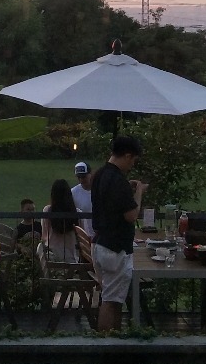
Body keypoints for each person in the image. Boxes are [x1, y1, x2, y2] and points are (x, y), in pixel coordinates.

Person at [91, 135, 146, 332]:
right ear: (128, 155)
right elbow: (131, 215)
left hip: (101, 243)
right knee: (110, 301)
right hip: (115, 248)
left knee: (113, 299)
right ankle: (106, 343)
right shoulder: (118, 180)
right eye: (133, 160)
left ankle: (113, 339)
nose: (132, 165)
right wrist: (139, 192)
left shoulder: (100, 175)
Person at [41, 179, 80, 266]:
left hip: (51, 258)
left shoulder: (47, 211)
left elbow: (44, 236)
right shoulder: (78, 213)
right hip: (71, 260)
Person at [70, 161, 94, 232]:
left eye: (83, 177)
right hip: (82, 232)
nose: (81, 180)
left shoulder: (99, 190)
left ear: (90, 174)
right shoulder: (73, 192)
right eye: (79, 177)